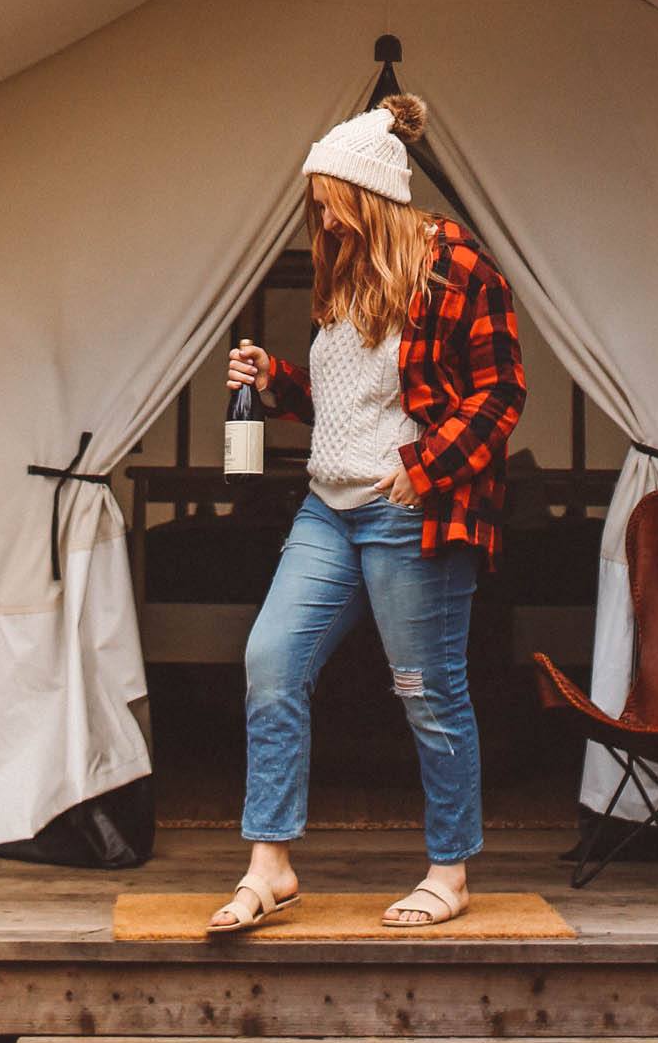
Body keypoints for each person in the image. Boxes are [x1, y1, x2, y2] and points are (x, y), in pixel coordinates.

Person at [207, 94, 526, 935]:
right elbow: (349, 404)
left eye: (329, 201)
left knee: (427, 691)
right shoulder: (346, 272)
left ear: (368, 196)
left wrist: (428, 467)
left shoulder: (458, 269)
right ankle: (270, 864)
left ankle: (449, 871)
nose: (320, 217)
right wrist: (275, 381)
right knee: (271, 662)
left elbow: (501, 395)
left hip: (408, 517)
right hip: (328, 509)